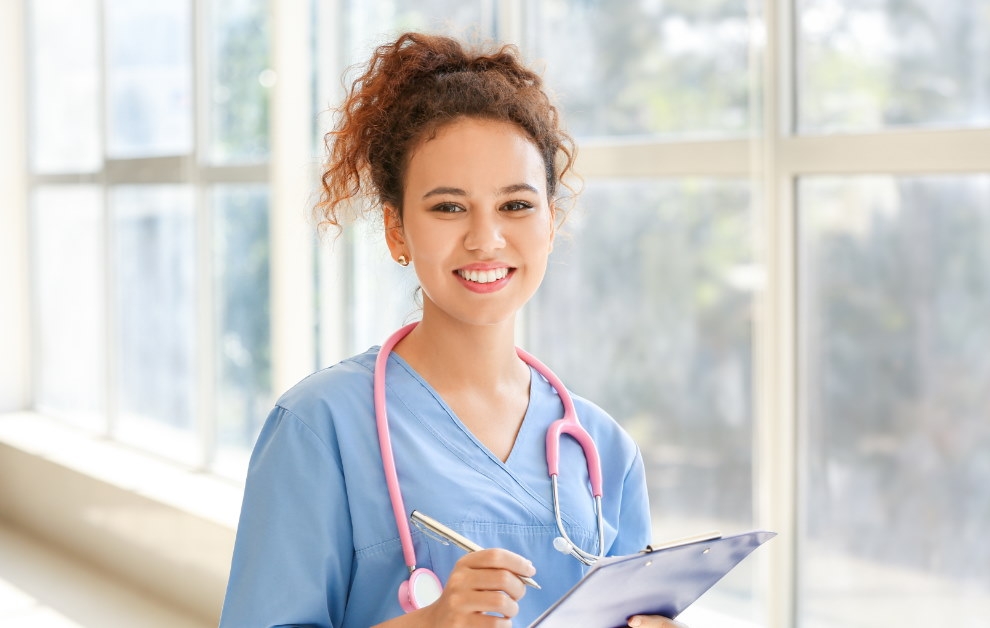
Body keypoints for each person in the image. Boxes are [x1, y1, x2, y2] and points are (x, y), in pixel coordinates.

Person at [219, 32, 686, 628]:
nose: (485, 238)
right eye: (447, 207)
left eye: (516, 205)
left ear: (551, 222)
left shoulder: (605, 452)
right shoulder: (320, 426)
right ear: (395, 230)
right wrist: (428, 623)